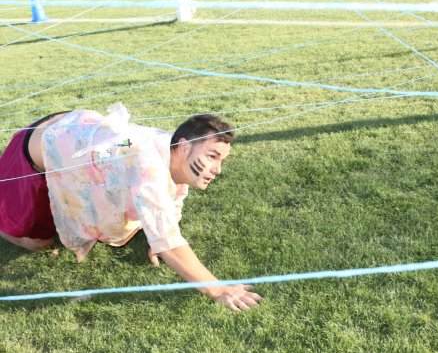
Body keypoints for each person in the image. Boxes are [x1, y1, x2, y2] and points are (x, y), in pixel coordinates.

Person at [0, 104, 261, 311]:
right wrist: (218, 290)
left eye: (221, 160)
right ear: (183, 145)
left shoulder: (165, 147)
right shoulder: (147, 165)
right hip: (29, 153)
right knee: (38, 242)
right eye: (212, 156)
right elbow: (168, 242)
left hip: (70, 128)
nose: (217, 169)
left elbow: (168, 196)